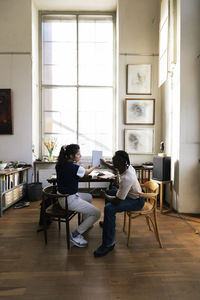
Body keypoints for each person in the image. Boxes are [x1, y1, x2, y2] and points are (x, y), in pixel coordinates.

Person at [94, 150, 145, 257]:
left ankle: (108, 244)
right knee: (109, 192)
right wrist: (105, 163)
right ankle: (109, 222)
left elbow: (117, 201)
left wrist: (103, 195)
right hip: (131, 195)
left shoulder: (127, 178)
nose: (114, 165)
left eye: (115, 162)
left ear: (122, 162)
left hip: (136, 201)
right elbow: (114, 168)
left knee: (109, 208)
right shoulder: (127, 166)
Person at [56, 144, 101, 248]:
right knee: (97, 213)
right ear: (71, 156)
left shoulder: (60, 164)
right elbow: (86, 172)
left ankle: (85, 223)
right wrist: (95, 166)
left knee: (89, 197)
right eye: (78, 154)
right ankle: (75, 235)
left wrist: (78, 165)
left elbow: (73, 171)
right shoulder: (74, 167)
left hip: (62, 198)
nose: (80, 155)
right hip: (69, 200)